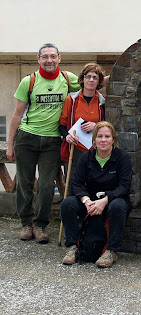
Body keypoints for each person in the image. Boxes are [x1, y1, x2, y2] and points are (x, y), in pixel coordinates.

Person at [6, 43, 81, 244]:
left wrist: (110, 76)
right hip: (27, 138)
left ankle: (40, 225)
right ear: (38, 59)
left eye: (53, 56)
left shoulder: (67, 79)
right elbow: (17, 114)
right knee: (24, 182)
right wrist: (10, 144)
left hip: (52, 140)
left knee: (47, 185)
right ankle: (25, 223)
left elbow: (92, 83)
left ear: (59, 58)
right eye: (45, 57)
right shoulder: (28, 81)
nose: (49, 60)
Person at [60, 121, 132, 268]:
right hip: (90, 200)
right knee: (67, 203)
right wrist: (86, 201)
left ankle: (111, 250)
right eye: (99, 136)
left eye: (107, 136)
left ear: (113, 139)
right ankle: (73, 247)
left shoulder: (122, 158)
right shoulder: (86, 157)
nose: (103, 140)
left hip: (114, 200)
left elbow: (124, 187)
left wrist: (104, 201)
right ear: (94, 140)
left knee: (118, 206)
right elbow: (77, 183)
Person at [59, 62, 106, 195]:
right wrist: (67, 136)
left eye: (95, 77)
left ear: (99, 82)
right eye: (88, 76)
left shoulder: (103, 102)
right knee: (73, 185)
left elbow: (109, 127)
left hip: (96, 150)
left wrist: (96, 126)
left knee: (94, 185)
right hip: (75, 150)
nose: (91, 80)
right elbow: (62, 124)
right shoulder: (71, 100)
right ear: (82, 79)